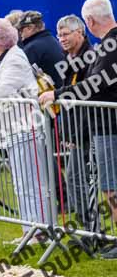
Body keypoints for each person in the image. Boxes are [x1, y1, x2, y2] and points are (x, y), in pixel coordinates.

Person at [40, 0, 117, 256]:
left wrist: (57, 94)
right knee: (107, 185)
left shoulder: (110, 46)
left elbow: (95, 85)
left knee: (110, 186)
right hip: (102, 127)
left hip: (108, 127)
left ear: (89, 22)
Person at [0, 19, 48, 245]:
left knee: (30, 183)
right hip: (12, 132)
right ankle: (29, 229)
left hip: (25, 129)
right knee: (20, 183)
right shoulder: (3, 61)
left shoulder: (14, 59)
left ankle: (39, 230)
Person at [52, 14, 99, 246]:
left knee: (83, 181)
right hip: (76, 130)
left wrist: (75, 134)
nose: (61, 38)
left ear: (80, 32)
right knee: (75, 180)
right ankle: (88, 231)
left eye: (66, 34)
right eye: (59, 35)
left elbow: (84, 93)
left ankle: (93, 233)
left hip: (89, 129)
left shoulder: (90, 57)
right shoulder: (67, 57)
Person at [16, 11, 66, 88]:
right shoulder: (52, 41)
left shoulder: (32, 48)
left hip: (47, 97)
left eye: (20, 29)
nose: (19, 33)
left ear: (30, 28)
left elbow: (18, 77)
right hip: (59, 94)